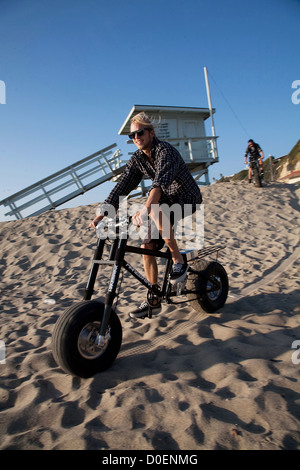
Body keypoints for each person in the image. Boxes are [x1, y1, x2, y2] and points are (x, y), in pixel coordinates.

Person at [90, 112, 202, 318]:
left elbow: (159, 182)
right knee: (146, 245)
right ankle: (154, 298)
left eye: (140, 133)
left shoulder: (165, 151)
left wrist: (145, 209)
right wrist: (102, 214)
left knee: (157, 207)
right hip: (165, 200)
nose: (136, 138)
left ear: (151, 133)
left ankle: (179, 260)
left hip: (187, 197)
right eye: (132, 136)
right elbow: (123, 186)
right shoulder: (138, 159)